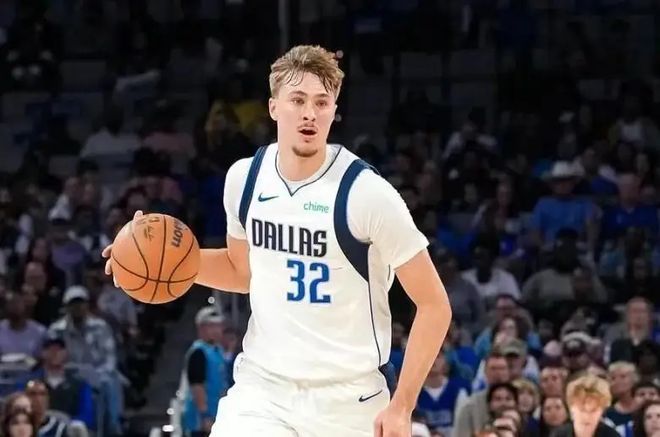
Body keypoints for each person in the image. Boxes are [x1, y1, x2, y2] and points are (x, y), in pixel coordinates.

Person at [103, 45, 452, 436]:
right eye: (298, 100)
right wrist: (155, 258)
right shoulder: (245, 179)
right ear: (273, 107)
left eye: (321, 102)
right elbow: (242, 271)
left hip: (348, 398)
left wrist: (402, 405)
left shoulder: (368, 194)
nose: (309, 113)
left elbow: (434, 305)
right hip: (263, 390)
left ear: (334, 111)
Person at [550, 374, 619, 437]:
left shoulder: (612, 435)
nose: (587, 416)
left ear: (602, 411)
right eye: (582, 410)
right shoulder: (558, 435)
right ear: (571, 408)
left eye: (593, 411)